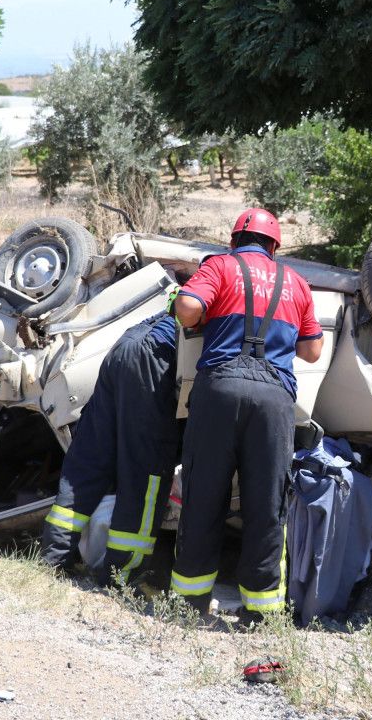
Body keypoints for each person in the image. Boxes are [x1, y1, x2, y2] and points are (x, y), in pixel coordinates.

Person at [169, 208, 323, 621]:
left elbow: (186, 308)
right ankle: (260, 612)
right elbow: (312, 351)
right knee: (266, 503)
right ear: (275, 246)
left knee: (204, 495)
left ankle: (189, 604)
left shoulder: (220, 266)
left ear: (234, 240)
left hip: (220, 389)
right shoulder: (296, 282)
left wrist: (206, 313)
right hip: (274, 398)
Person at [41, 310, 180, 585]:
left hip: (126, 344)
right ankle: (121, 575)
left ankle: (54, 558)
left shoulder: (213, 275)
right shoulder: (241, 297)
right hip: (157, 358)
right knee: (146, 474)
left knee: (89, 460)